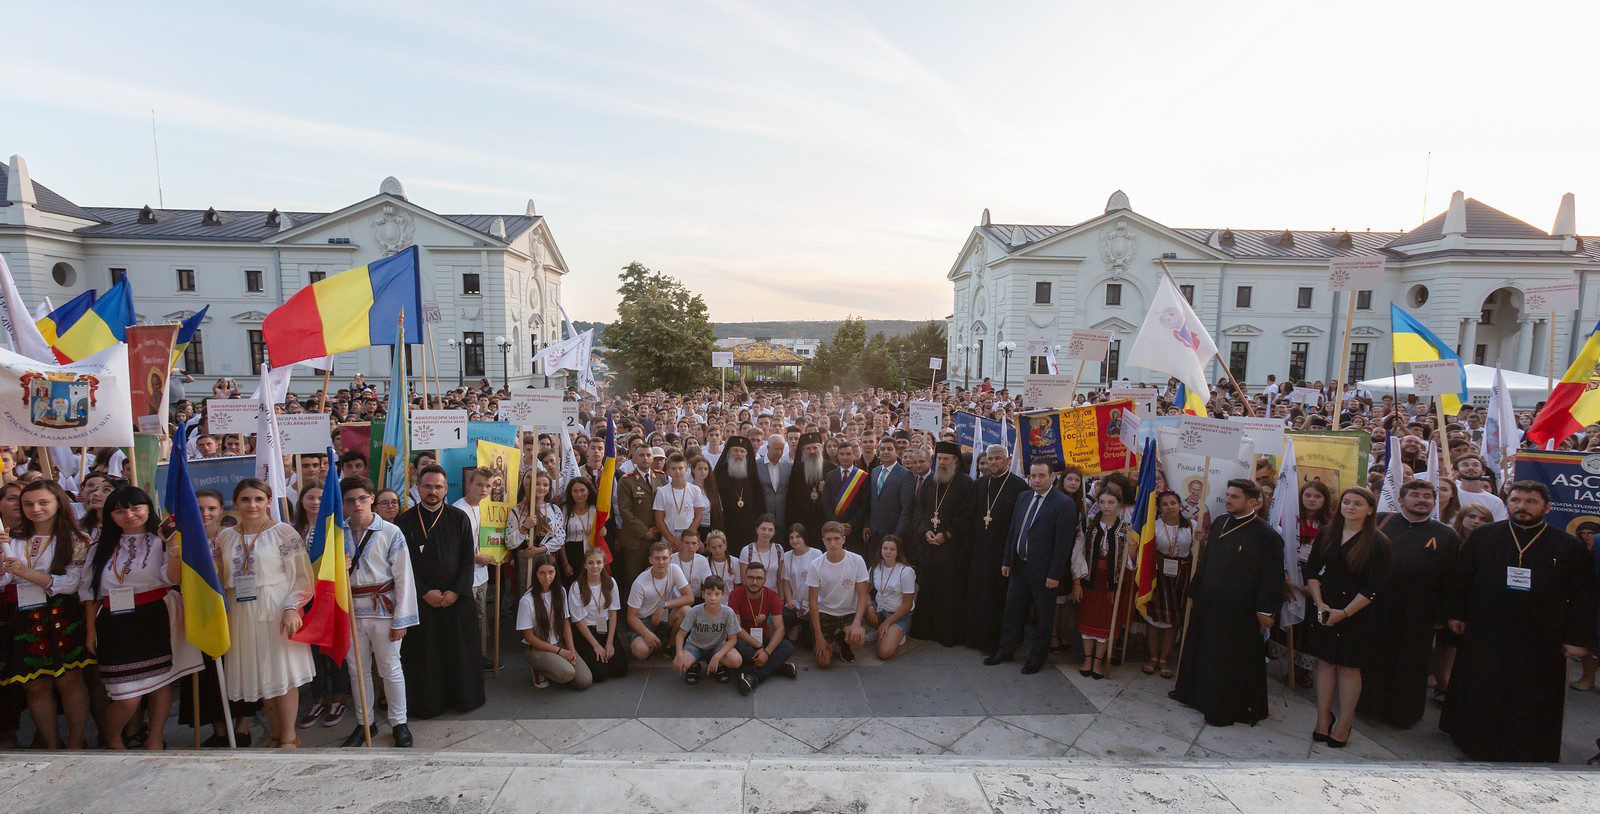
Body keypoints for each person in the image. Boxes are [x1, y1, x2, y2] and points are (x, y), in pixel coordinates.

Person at [1440, 481, 1596, 763]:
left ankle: (1526, 746)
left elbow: (1584, 596)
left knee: (1530, 694)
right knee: (1481, 685)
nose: (1522, 507)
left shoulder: (1568, 546)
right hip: (1487, 628)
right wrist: (1456, 613)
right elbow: (1462, 577)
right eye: (1516, 500)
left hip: (1541, 636)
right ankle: (1473, 740)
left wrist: (1577, 639)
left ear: (1547, 508)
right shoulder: (1484, 535)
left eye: (1531, 502)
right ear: (1508, 503)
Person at [80, 486, 204, 750]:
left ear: (148, 508)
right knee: (126, 696)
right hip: (114, 622)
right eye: (120, 511)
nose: (129, 515)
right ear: (110, 515)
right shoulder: (99, 547)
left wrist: (173, 546)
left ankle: (154, 740)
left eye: (135, 508)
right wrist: (90, 632)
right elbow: (90, 593)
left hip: (155, 615)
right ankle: (113, 740)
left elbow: (173, 578)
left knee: (161, 683)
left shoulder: (162, 540)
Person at [1169, 479, 1283, 727]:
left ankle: (1222, 707)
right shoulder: (1221, 522)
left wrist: (1266, 610)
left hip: (1238, 610)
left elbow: (1272, 577)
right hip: (1209, 601)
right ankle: (1195, 695)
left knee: (1227, 658)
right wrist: (1195, 589)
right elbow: (1208, 559)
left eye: (1234, 497)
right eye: (1228, 495)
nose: (1228, 500)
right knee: (1203, 650)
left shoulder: (1267, 535)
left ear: (1252, 502)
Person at [218, 478, 317, 749]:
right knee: (261, 673)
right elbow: (219, 575)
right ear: (235, 503)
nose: (252, 505)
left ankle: (288, 737)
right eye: (245, 499)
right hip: (241, 612)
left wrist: (292, 607)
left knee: (281, 673)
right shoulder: (225, 537)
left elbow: (302, 576)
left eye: (258, 499)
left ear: (269, 502)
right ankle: (275, 734)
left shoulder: (283, 533)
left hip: (275, 609)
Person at [1358, 480, 1458, 730]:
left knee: (1410, 666)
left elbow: (1452, 579)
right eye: (1415, 495)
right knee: (1374, 658)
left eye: (1428, 496)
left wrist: (1443, 615)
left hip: (1419, 614)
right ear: (1401, 499)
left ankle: (1404, 714)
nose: (1422, 500)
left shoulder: (1446, 535)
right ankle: (1368, 706)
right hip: (1377, 607)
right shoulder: (1380, 521)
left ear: (1434, 502)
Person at [0, 481, 92, 749]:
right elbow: (4, 581)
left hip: (61, 612)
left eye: (43, 503)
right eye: (28, 504)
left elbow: (72, 583)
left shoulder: (76, 539)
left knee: (69, 680)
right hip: (24, 615)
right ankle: (52, 745)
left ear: (58, 503)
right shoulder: (12, 538)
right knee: (34, 684)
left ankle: (76, 742)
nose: (35, 509)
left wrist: (27, 573)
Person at [1303, 487, 1391, 748]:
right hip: (1325, 606)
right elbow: (1312, 570)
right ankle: (1323, 718)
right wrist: (1320, 604)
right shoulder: (1327, 533)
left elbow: (1374, 586)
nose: (1350, 507)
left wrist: (1344, 613)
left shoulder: (1379, 542)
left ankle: (1344, 722)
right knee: (1325, 663)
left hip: (1357, 611)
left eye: (1357, 503)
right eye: (1346, 502)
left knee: (1348, 668)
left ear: (1370, 509)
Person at [396, 465, 486, 719]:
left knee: (460, 652)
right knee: (427, 655)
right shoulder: (404, 522)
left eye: (438, 487)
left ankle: (463, 699)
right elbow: (403, 565)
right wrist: (424, 592)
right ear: (418, 488)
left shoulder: (459, 518)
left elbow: (467, 560)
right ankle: (429, 704)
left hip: (456, 599)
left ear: (446, 489)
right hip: (421, 602)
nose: (432, 491)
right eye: (427, 486)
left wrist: (455, 591)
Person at [338, 476, 418, 748]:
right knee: (357, 670)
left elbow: (403, 577)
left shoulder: (391, 532)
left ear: (372, 498)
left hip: (383, 608)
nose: (357, 504)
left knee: (390, 667)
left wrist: (402, 619)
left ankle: (399, 722)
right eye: (350, 500)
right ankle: (365, 722)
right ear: (343, 503)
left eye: (362, 498)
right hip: (350, 610)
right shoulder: (337, 533)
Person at [983, 461, 1075, 674]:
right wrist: (1007, 560)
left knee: (1043, 617)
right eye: (1033, 476)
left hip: (1044, 573)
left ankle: (1036, 658)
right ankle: (1006, 650)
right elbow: (1014, 531)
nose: (1036, 480)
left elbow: (1063, 544)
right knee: (1012, 611)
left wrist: (1054, 574)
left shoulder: (1063, 503)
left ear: (1052, 477)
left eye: (1042, 476)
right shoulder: (1023, 497)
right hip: (1019, 568)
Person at [907, 441, 975, 647]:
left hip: (951, 549)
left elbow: (968, 515)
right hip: (928, 546)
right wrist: (925, 530)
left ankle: (946, 634)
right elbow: (920, 511)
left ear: (955, 460)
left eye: (946, 459)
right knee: (927, 587)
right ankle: (924, 630)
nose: (942, 462)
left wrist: (946, 534)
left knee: (948, 591)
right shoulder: (931, 481)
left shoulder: (965, 483)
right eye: (939, 458)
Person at [967, 445, 1027, 655]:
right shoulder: (980, 483)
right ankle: (976, 638)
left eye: (997, 458)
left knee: (999, 597)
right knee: (979, 594)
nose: (993, 462)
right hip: (980, 550)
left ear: (1007, 460)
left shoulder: (1019, 486)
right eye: (990, 459)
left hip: (1003, 552)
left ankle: (998, 642)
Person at [1073, 490, 1127, 679]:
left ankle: (1098, 662)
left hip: (1111, 585)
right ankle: (1087, 660)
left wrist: (1133, 547)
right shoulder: (1089, 525)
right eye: (1102, 502)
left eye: (1111, 502)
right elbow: (1078, 553)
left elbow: (1130, 561)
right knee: (1088, 622)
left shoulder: (1126, 529)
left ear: (1119, 504)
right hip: (1090, 581)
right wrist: (1077, 581)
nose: (1106, 506)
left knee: (1105, 624)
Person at [518, 553, 591, 690]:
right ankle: (538, 668)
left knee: (584, 681)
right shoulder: (526, 600)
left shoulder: (560, 591)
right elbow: (529, 637)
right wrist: (559, 651)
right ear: (535, 574)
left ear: (556, 572)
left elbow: (565, 623)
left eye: (550, 572)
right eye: (542, 573)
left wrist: (571, 650)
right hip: (539, 648)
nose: (547, 577)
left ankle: (558, 667)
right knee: (568, 673)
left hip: (559, 642)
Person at [1144, 491, 1195, 679]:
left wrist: (1200, 539)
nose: (1170, 507)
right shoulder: (1154, 526)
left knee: (1173, 619)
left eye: (1173, 503)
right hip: (1159, 575)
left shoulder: (1192, 525)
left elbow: (1196, 553)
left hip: (1181, 575)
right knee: (1155, 618)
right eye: (1165, 504)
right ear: (1159, 508)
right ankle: (1153, 657)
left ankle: (1164, 659)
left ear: (1180, 505)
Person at [728, 560, 798, 694]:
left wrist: (766, 652)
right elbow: (737, 629)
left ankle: (754, 677)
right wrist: (761, 649)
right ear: (745, 578)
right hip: (745, 641)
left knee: (787, 646)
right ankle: (777, 667)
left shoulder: (772, 596)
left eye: (759, 578)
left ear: (765, 580)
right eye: (750, 578)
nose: (754, 582)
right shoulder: (735, 595)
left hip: (763, 639)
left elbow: (780, 629)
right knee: (737, 644)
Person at [806, 521, 869, 668]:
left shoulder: (857, 560)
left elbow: (862, 595)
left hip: (849, 613)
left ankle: (844, 642)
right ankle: (831, 639)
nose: (833, 543)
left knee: (858, 639)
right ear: (823, 541)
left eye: (836, 539)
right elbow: (813, 602)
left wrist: (857, 623)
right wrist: (819, 637)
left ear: (843, 539)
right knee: (823, 662)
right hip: (825, 613)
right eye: (828, 539)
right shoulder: (816, 565)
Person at [453, 468, 497, 668]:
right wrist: (476, 557)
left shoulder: (488, 508)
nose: (484, 490)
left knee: (480, 618)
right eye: (479, 484)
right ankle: (465, 662)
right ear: (469, 484)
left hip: (482, 575)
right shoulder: (457, 510)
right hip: (465, 577)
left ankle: (478, 658)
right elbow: (453, 548)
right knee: (466, 620)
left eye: (488, 486)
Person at [625, 541, 693, 661]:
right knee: (640, 651)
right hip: (644, 620)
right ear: (650, 560)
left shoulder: (674, 569)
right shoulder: (640, 583)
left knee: (686, 611)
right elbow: (631, 617)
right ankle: (654, 643)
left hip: (664, 613)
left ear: (670, 559)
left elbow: (689, 597)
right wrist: (646, 633)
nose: (661, 562)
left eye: (664, 558)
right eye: (657, 558)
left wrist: (664, 605)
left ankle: (670, 645)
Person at [567, 547, 627, 683]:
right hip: (587, 632)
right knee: (600, 674)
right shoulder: (577, 586)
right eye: (591, 562)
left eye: (598, 562)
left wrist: (610, 642)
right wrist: (596, 645)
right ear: (585, 565)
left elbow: (613, 612)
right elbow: (578, 620)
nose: (595, 566)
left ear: (604, 563)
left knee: (620, 670)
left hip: (605, 628)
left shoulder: (610, 582)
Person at [672, 575, 743, 685]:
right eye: (709, 593)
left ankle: (717, 663)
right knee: (682, 665)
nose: (713, 598)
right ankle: (694, 665)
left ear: (723, 595)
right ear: (703, 594)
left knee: (736, 661)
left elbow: (733, 639)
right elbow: (680, 635)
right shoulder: (695, 611)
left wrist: (717, 656)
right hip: (695, 646)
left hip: (717, 646)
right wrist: (679, 654)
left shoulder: (728, 612)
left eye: (717, 594)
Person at [614, 445, 660, 599]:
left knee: (656, 579)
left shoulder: (661, 478)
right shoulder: (626, 481)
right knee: (633, 580)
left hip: (656, 538)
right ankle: (631, 612)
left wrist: (657, 529)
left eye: (648, 455)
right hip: (635, 540)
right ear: (634, 458)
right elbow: (625, 511)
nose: (645, 458)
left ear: (653, 458)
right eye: (641, 455)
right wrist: (644, 531)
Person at [866, 536, 916, 661]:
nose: (888, 552)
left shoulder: (906, 571)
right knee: (860, 603)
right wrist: (870, 607)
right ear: (881, 550)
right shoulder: (875, 568)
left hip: (898, 615)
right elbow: (865, 593)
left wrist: (887, 622)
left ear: (898, 551)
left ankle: (895, 633)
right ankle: (880, 630)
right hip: (880, 609)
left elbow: (907, 605)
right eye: (885, 548)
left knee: (884, 653)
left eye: (892, 549)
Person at [785, 433, 835, 547]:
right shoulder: (797, 469)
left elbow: (837, 497)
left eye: (814, 447)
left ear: (821, 448)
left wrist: (827, 488)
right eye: (808, 448)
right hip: (803, 521)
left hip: (825, 520)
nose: (812, 451)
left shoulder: (832, 468)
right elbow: (791, 497)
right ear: (803, 451)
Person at [824, 439, 871, 557]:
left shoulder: (863, 476)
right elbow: (826, 503)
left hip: (854, 529)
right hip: (834, 528)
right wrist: (837, 524)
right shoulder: (830, 476)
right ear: (837, 455)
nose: (845, 457)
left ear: (854, 455)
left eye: (848, 454)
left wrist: (851, 524)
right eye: (842, 454)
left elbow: (865, 504)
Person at [654, 453, 708, 555]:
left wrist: (685, 538)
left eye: (680, 468)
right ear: (668, 471)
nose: (677, 471)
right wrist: (673, 540)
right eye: (673, 468)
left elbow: (698, 516)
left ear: (686, 469)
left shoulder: (695, 490)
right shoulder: (662, 492)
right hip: (669, 542)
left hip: (689, 542)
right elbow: (659, 520)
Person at [866, 438, 915, 550]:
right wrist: (866, 525)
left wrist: (897, 536)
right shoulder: (875, 471)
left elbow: (907, 509)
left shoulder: (905, 474)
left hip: (893, 532)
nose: (886, 452)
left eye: (889, 449)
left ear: (897, 453)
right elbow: (871, 501)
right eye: (882, 449)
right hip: (874, 532)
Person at [712, 436, 760, 547]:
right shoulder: (719, 473)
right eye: (735, 450)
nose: (739, 454)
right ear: (728, 452)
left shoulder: (752, 473)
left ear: (746, 454)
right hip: (726, 523)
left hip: (748, 524)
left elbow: (758, 500)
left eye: (742, 451)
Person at [780, 523, 823, 649]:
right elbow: (786, 582)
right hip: (797, 602)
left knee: (809, 646)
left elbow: (822, 582)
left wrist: (812, 605)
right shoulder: (787, 556)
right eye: (791, 537)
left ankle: (807, 627)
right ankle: (796, 625)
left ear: (804, 537)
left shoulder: (816, 553)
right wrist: (789, 601)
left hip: (814, 602)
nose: (795, 540)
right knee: (786, 616)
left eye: (798, 536)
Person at [756, 436, 792, 533]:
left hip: (783, 516)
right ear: (768, 448)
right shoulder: (756, 465)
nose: (779, 452)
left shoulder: (789, 466)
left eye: (781, 449)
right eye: (776, 449)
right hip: (763, 515)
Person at [738, 515, 783, 592]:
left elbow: (780, 579)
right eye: (763, 529)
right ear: (757, 529)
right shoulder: (747, 551)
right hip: (753, 594)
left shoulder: (778, 549)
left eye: (770, 530)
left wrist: (781, 597)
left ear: (774, 532)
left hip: (773, 594)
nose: (766, 533)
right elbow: (744, 580)